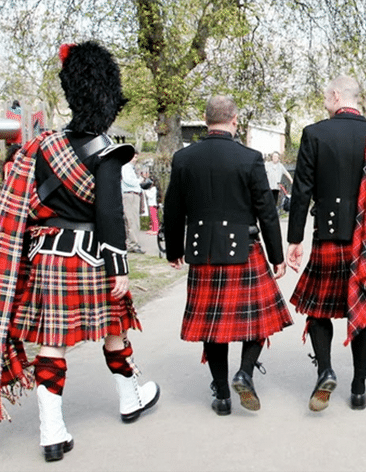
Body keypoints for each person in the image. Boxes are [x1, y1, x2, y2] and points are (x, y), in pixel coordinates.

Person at [0, 41, 159, 462]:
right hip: (95, 257)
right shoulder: (108, 153)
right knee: (116, 330)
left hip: (48, 258)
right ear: (107, 97)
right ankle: (130, 398)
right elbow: (111, 215)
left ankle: (52, 432)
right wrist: (120, 267)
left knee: (52, 342)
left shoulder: (43, 147)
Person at [287, 75, 366, 411]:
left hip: (329, 235)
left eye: (326, 94)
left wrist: (294, 239)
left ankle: (325, 371)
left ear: (337, 95)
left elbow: (301, 190)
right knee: (364, 310)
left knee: (317, 310)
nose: (324, 100)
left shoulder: (315, 133)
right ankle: (358, 387)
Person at [164, 96, 292, 416]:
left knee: (212, 327)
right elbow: (267, 211)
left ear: (206, 120)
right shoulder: (248, 157)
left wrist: (174, 250)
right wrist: (277, 256)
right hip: (244, 251)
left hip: (202, 251)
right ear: (234, 119)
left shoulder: (184, 157)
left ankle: (222, 395)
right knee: (258, 321)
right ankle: (244, 373)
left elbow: (173, 209)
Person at [121, 154, 145, 254]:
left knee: (132, 220)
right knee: (132, 220)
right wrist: (139, 180)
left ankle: (131, 242)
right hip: (130, 194)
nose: (136, 159)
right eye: (135, 157)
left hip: (133, 194)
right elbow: (128, 181)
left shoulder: (130, 168)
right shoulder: (126, 167)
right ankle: (132, 244)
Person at [140, 170, 160, 236]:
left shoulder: (154, 188)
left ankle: (156, 229)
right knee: (152, 217)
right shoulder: (151, 188)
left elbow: (150, 196)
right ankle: (153, 228)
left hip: (153, 204)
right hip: (150, 204)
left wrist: (146, 192)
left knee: (154, 217)